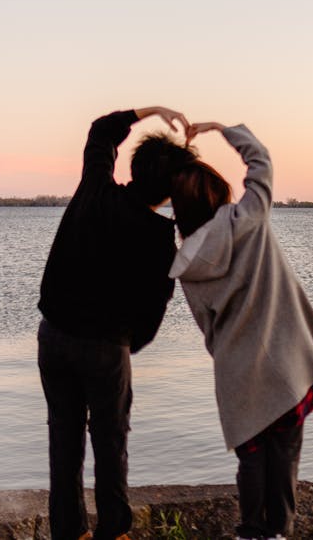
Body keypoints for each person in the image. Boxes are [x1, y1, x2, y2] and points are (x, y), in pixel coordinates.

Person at [169, 121, 313, 540]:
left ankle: (250, 531)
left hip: (236, 370)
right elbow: (260, 162)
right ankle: (278, 531)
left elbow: (208, 328)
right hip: (285, 362)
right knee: (285, 455)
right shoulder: (250, 219)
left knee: (252, 457)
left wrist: (231, 355)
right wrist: (225, 130)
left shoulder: (187, 264)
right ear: (217, 196)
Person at [37, 107, 193, 540]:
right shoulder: (160, 241)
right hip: (108, 347)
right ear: (169, 190)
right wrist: (124, 343)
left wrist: (153, 112)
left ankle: (69, 532)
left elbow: (101, 130)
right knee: (110, 444)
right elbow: (150, 319)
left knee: (63, 443)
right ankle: (114, 532)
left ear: (134, 168)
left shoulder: (95, 189)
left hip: (53, 335)